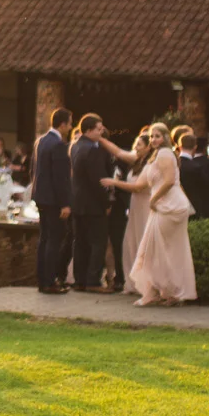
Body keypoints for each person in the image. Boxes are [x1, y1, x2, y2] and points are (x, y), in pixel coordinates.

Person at [105, 123, 196, 305]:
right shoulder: (156, 156)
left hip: (169, 206)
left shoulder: (165, 154)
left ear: (165, 138)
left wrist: (154, 199)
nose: (154, 139)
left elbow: (170, 181)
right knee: (160, 249)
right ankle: (164, 291)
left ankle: (164, 292)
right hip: (163, 206)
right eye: (152, 136)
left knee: (157, 249)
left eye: (157, 136)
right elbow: (140, 185)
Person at [67, 114, 137, 292]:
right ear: (89, 130)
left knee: (80, 242)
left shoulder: (76, 145)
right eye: (98, 129)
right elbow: (98, 180)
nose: (101, 131)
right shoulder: (93, 149)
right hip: (93, 204)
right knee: (97, 243)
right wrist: (106, 203)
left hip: (78, 202)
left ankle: (80, 280)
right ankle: (92, 281)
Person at [29, 107, 74, 294]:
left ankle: (42, 279)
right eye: (70, 123)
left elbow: (35, 169)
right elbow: (60, 177)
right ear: (62, 124)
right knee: (54, 240)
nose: (71, 127)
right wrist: (65, 203)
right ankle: (49, 282)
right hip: (54, 199)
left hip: (41, 197)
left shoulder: (41, 141)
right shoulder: (58, 145)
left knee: (45, 238)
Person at [114, 129, 153, 294]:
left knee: (143, 245)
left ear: (148, 148)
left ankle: (146, 284)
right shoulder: (136, 162)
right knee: (129, 244)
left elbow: (138, 188)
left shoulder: (150, 165)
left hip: (146, 206)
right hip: (134, 207)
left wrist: (114, 183)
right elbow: (117, 152)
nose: (135, 147)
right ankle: (131, 283)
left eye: (139, 145)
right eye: (135, 144)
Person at [178, 130, 209, 218]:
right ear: (195, 147)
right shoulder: (196, 167)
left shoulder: (173, 164)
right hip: (193, 208)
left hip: (175, 206)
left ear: (179, 147)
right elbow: (208, 185)